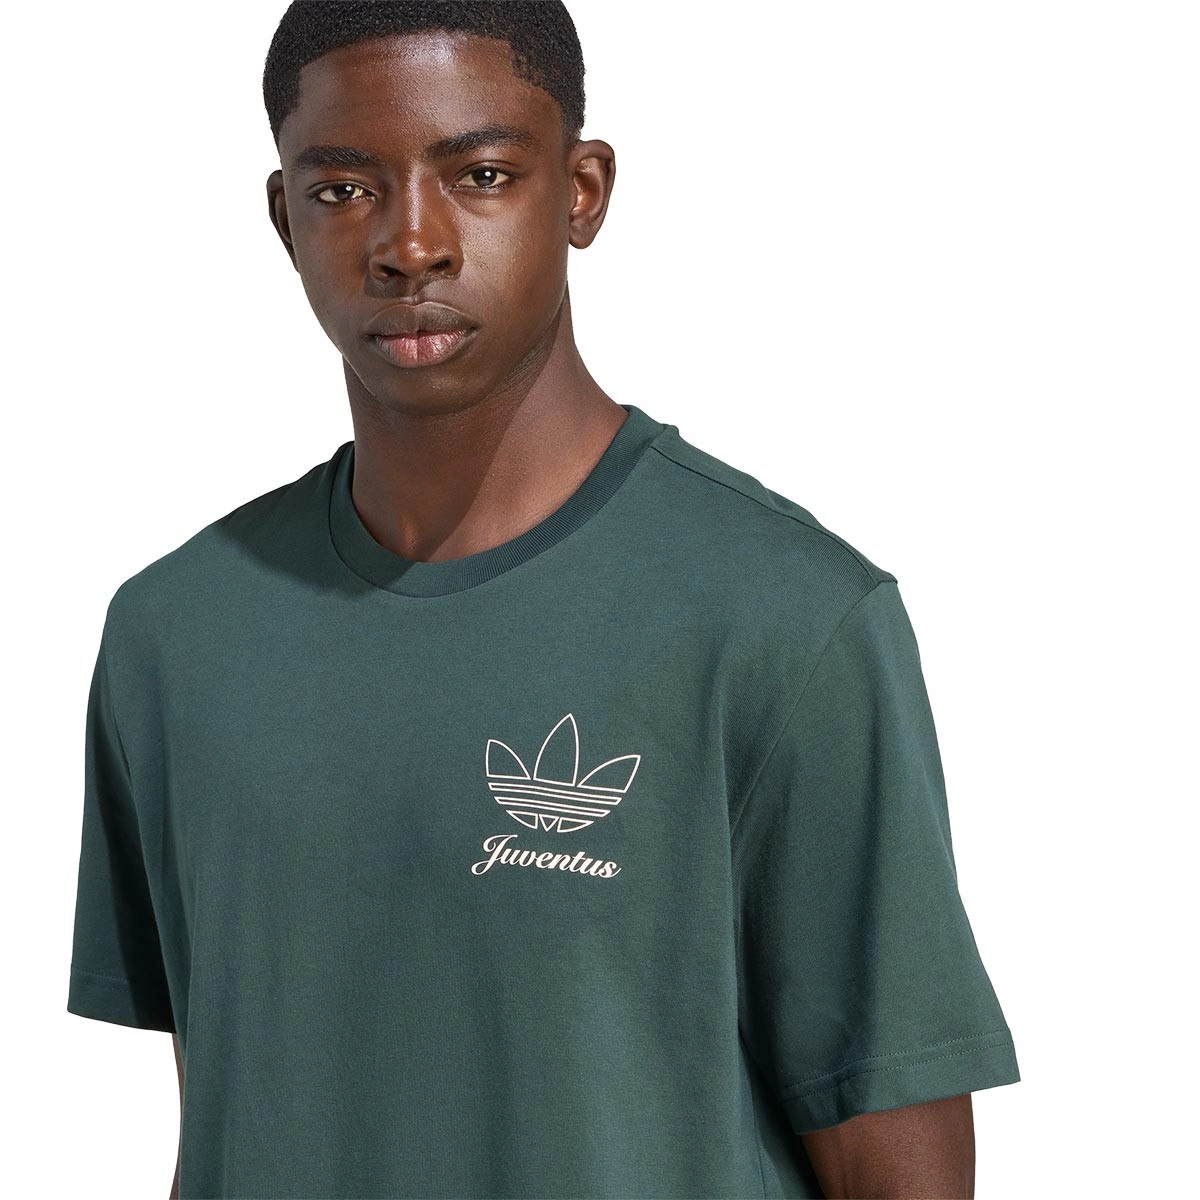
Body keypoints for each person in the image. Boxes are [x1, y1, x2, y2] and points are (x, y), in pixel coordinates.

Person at [65, 3, 1020, 1198]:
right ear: (282, 219)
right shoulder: (177, 634)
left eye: (480, 176)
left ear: (581, 191)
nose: (411, 245)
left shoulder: (787, 620)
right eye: (343, 190)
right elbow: (250, 1095)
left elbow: (899, 1166)